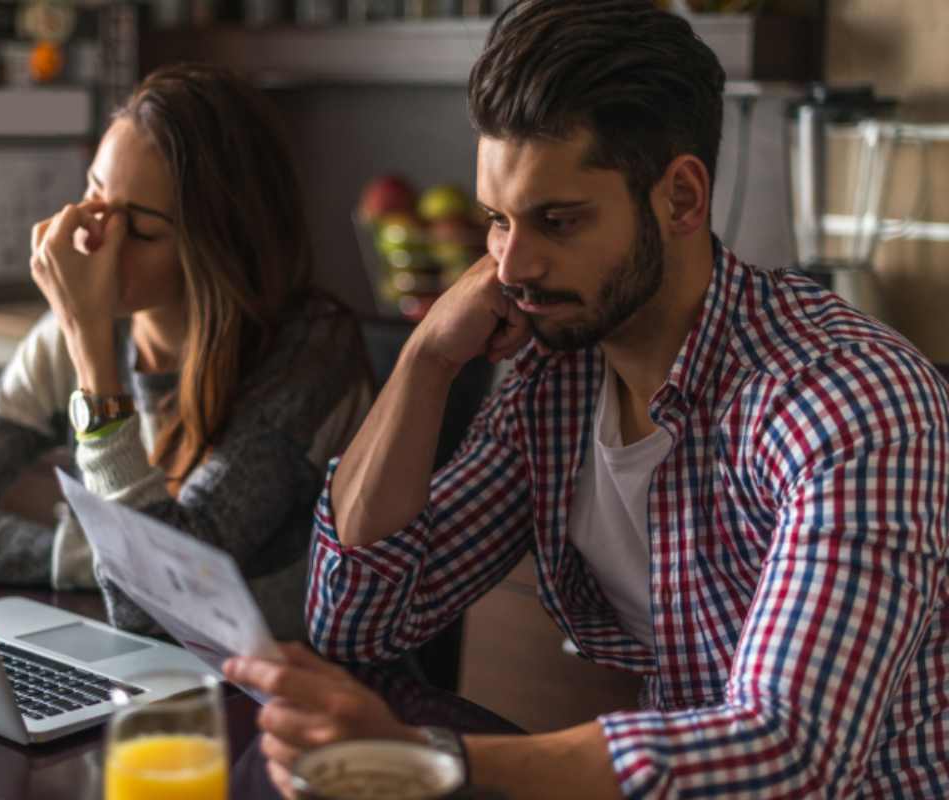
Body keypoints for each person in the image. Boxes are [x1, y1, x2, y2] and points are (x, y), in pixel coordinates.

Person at [224, 1, 949, 797]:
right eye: (497, 221)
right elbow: (358, 617)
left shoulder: (848, 401)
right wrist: (428, 358)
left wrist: (434, 762)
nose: (511, 267)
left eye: (557, 222)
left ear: (680, 199)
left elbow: (788, 750)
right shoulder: (557, 378)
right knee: (284, 757)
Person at [0, 63, 371, 642]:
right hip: (148, 664)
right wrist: (89, 555)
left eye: (140, 231)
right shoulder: (75, 331)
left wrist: (90, 348)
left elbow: (158, 601)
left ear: (221, 246)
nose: (93, 239)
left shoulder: (309, 357)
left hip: (273, 694)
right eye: (93, 194)